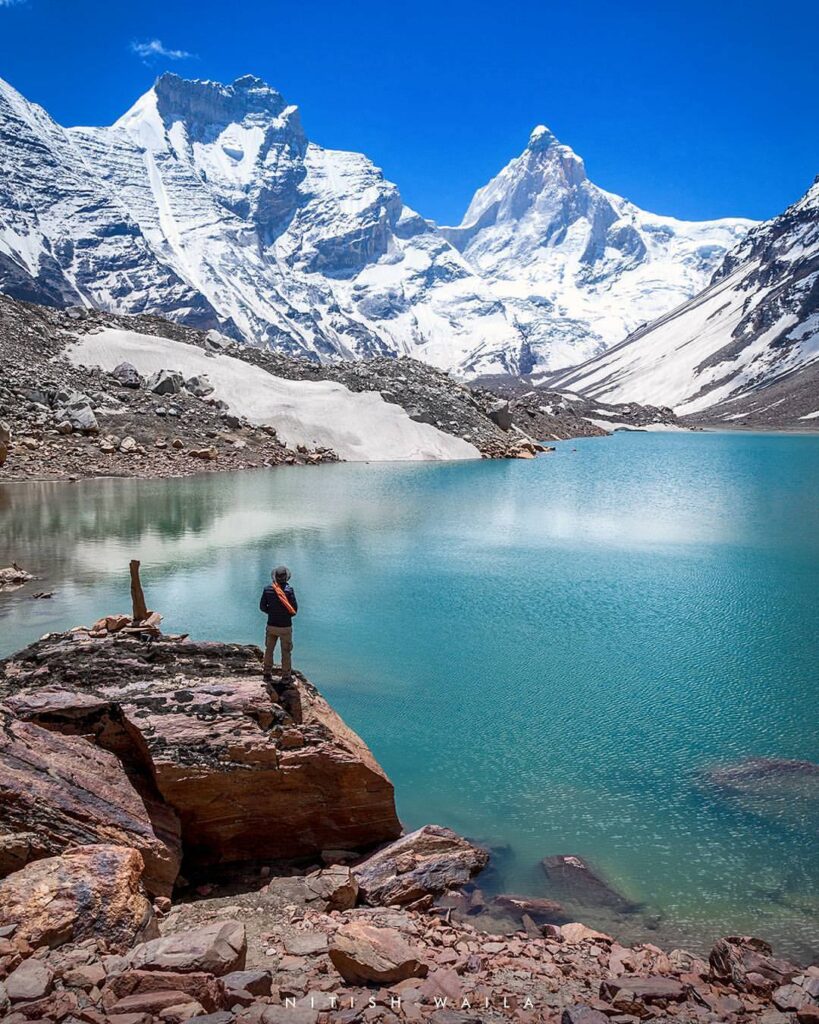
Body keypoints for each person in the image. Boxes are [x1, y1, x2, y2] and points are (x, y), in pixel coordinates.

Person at [260, 565, 298, 683]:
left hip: (271, 625)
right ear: (286, 577)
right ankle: (286, 676)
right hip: (285, 627)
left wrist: (272, 613)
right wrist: (285, 616)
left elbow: (262, 607)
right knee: (286, 652)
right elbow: (294, 610)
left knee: (269, 649)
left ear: (275, 577)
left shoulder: (268, 589)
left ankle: (267, 674)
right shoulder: (289, 590)